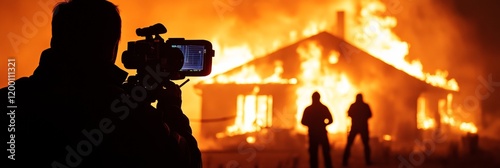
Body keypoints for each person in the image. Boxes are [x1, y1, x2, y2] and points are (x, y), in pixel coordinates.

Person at [1, 0, 201, 167]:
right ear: (113, 47)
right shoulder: (134, 119)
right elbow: (187, 162)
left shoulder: (10, 101)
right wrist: (172, 108)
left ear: (55, 40)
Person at [301, 91, 334, 168]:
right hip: (322, 133)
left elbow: (303, 121)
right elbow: (331, 120)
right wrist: (324, 124)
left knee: (313, 154)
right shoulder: (324, 108)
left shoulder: (308, 109)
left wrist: (310, 125)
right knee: (326, 153)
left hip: (313, 134)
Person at [342, 93, 372, 167]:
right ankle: (367, 161)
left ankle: (345, 161)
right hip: (363, 127)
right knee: (366, 145)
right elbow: (370, 115)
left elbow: (349, 114)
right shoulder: (365, 106)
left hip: (355, 127)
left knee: (349, 144)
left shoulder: (353, 105)